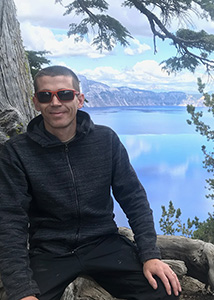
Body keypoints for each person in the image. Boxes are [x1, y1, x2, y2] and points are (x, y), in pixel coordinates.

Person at [0, 66, 181, 300]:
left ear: (80, 99)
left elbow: (133, 198)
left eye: (64, 94)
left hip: (104, 243)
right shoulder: (17, 152)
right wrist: (21, 289)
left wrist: (150, 255)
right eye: (46, 95)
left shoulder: (106, 140)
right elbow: (9, 220)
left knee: (164, 292)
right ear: (36, 102)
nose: (55, 102)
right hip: (50, 252)